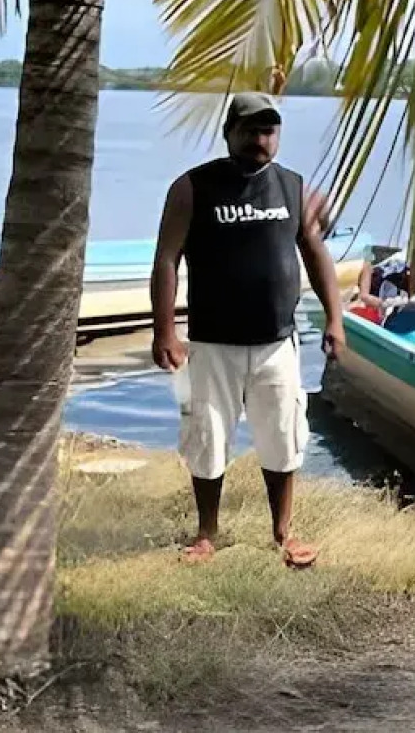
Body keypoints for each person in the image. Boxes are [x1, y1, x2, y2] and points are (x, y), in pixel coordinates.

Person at [150, 91, 344, 569]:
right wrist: (164, 331)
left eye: (268, 130)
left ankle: (283, 533)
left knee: (283, 435)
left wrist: (335, 318)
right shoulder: (193, 187)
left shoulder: (292, 187)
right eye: (251, 130)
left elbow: (315, 253)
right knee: (208, 436)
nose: (260, 139)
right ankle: (206, 534)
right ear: (229, 133)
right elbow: (167, 258)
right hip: (213, 342)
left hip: (277, 341)